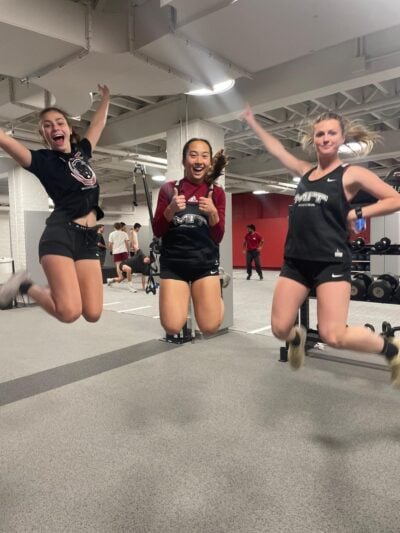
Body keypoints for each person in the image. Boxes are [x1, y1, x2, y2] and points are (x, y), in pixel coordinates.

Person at [241, 104, 400, 386]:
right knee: (280, 328)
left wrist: (360, 213)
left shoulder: (351, 174)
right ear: (313, 139)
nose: (325, 138)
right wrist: (253, 123)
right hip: (296, 261)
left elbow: (394, 198)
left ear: (341, 139)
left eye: (331, 133)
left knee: (333, 335)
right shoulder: (304, 171)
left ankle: (391, 350)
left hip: (331, 261)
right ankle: (297, 338)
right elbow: (278, 150)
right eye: (320, 134)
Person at [0, 84, 110, 322]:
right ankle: (26, 286)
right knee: (69, 312)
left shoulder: (82, 152)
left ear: (69, 129)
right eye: (47, 126)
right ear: (44, 135)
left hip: (89, 237)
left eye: (59, 122)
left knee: (92, 313)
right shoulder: (42, 160)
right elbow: (4, 140)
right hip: (61, 234)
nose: (54, 128)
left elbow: (98, 124)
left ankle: (54, 291)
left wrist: (106, 98)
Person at [152, 138, 227, 335]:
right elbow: (157, 230)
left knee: (209, 327)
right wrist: (171, 209)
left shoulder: (217, 193)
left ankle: (217, 292)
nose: (198, 160)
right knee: (172, 326)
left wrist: (212, 213)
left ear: (210, 162)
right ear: (184, 160)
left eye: (204, 156)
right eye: (193, 155)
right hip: (174, 265)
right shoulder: (168, 189)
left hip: (204, 264)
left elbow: (218, 237)